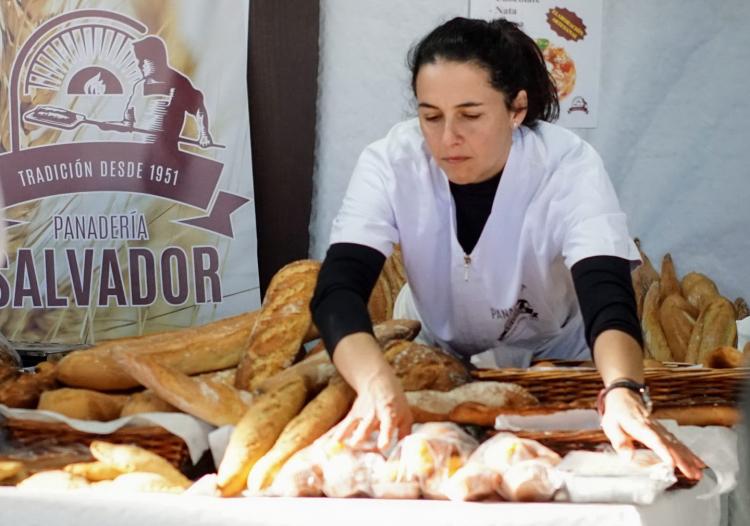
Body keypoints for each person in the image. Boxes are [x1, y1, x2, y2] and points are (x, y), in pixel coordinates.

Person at [310, 17, 704, 479]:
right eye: (430, 115)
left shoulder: (567, 167)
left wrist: (622, 388)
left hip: (561, 361)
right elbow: (337, 290)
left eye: (471, 115)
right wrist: (376, 383)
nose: (447, 137)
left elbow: (608, 297)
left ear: (517, 108)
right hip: (440, 360)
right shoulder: (390, 161)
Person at [118, 36, 214, 153]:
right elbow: (127, 123)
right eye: (138, 61)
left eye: (143, 61)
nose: (139, 65)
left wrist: (204, 133)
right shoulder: (139, 87)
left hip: (167, 162)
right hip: (139, 160)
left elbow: (198, 108)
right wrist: (105, 125)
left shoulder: (177, 83)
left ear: (156, 58)